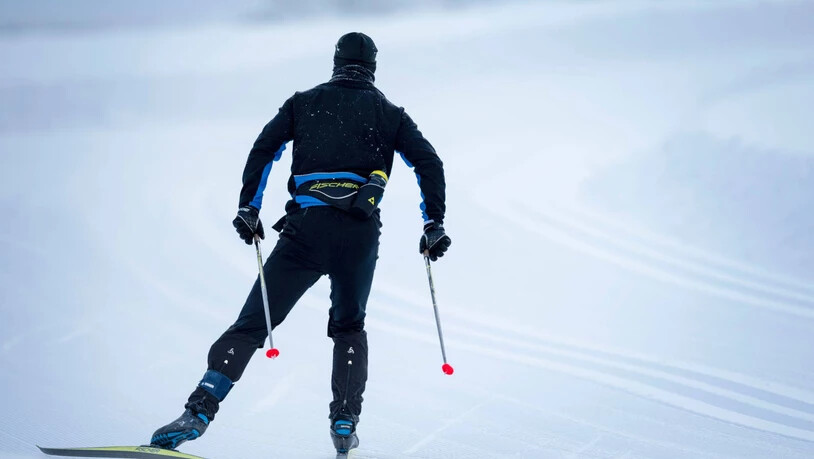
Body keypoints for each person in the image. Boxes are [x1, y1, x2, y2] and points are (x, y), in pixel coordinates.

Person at [149, 32, 451, 455]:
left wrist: (248, 208)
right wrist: (432, 223)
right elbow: (428, 163)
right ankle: (344, 422)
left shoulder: (303, 102)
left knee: (254, 324)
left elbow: (264, 149)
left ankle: (198, 411)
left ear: (335, 61)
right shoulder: (390, 114)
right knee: (349, 328)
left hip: (306, 230)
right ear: (373, 67)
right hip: (359, 235)